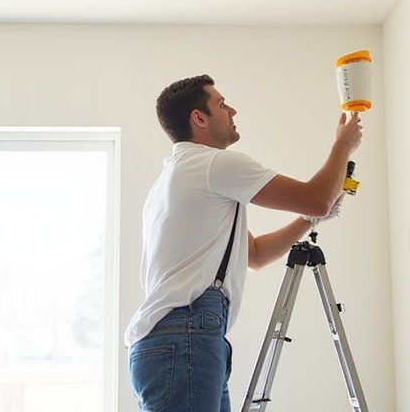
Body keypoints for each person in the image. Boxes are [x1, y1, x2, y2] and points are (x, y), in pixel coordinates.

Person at [125, 74, 364, 412]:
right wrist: (343, 144)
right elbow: (318, 198)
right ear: (199, 118)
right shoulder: (212, 164)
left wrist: (310, 220)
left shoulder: (178, 175)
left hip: (181, 338)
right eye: (222, 104)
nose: (232, 110)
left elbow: (254, 255)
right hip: (187, 336)